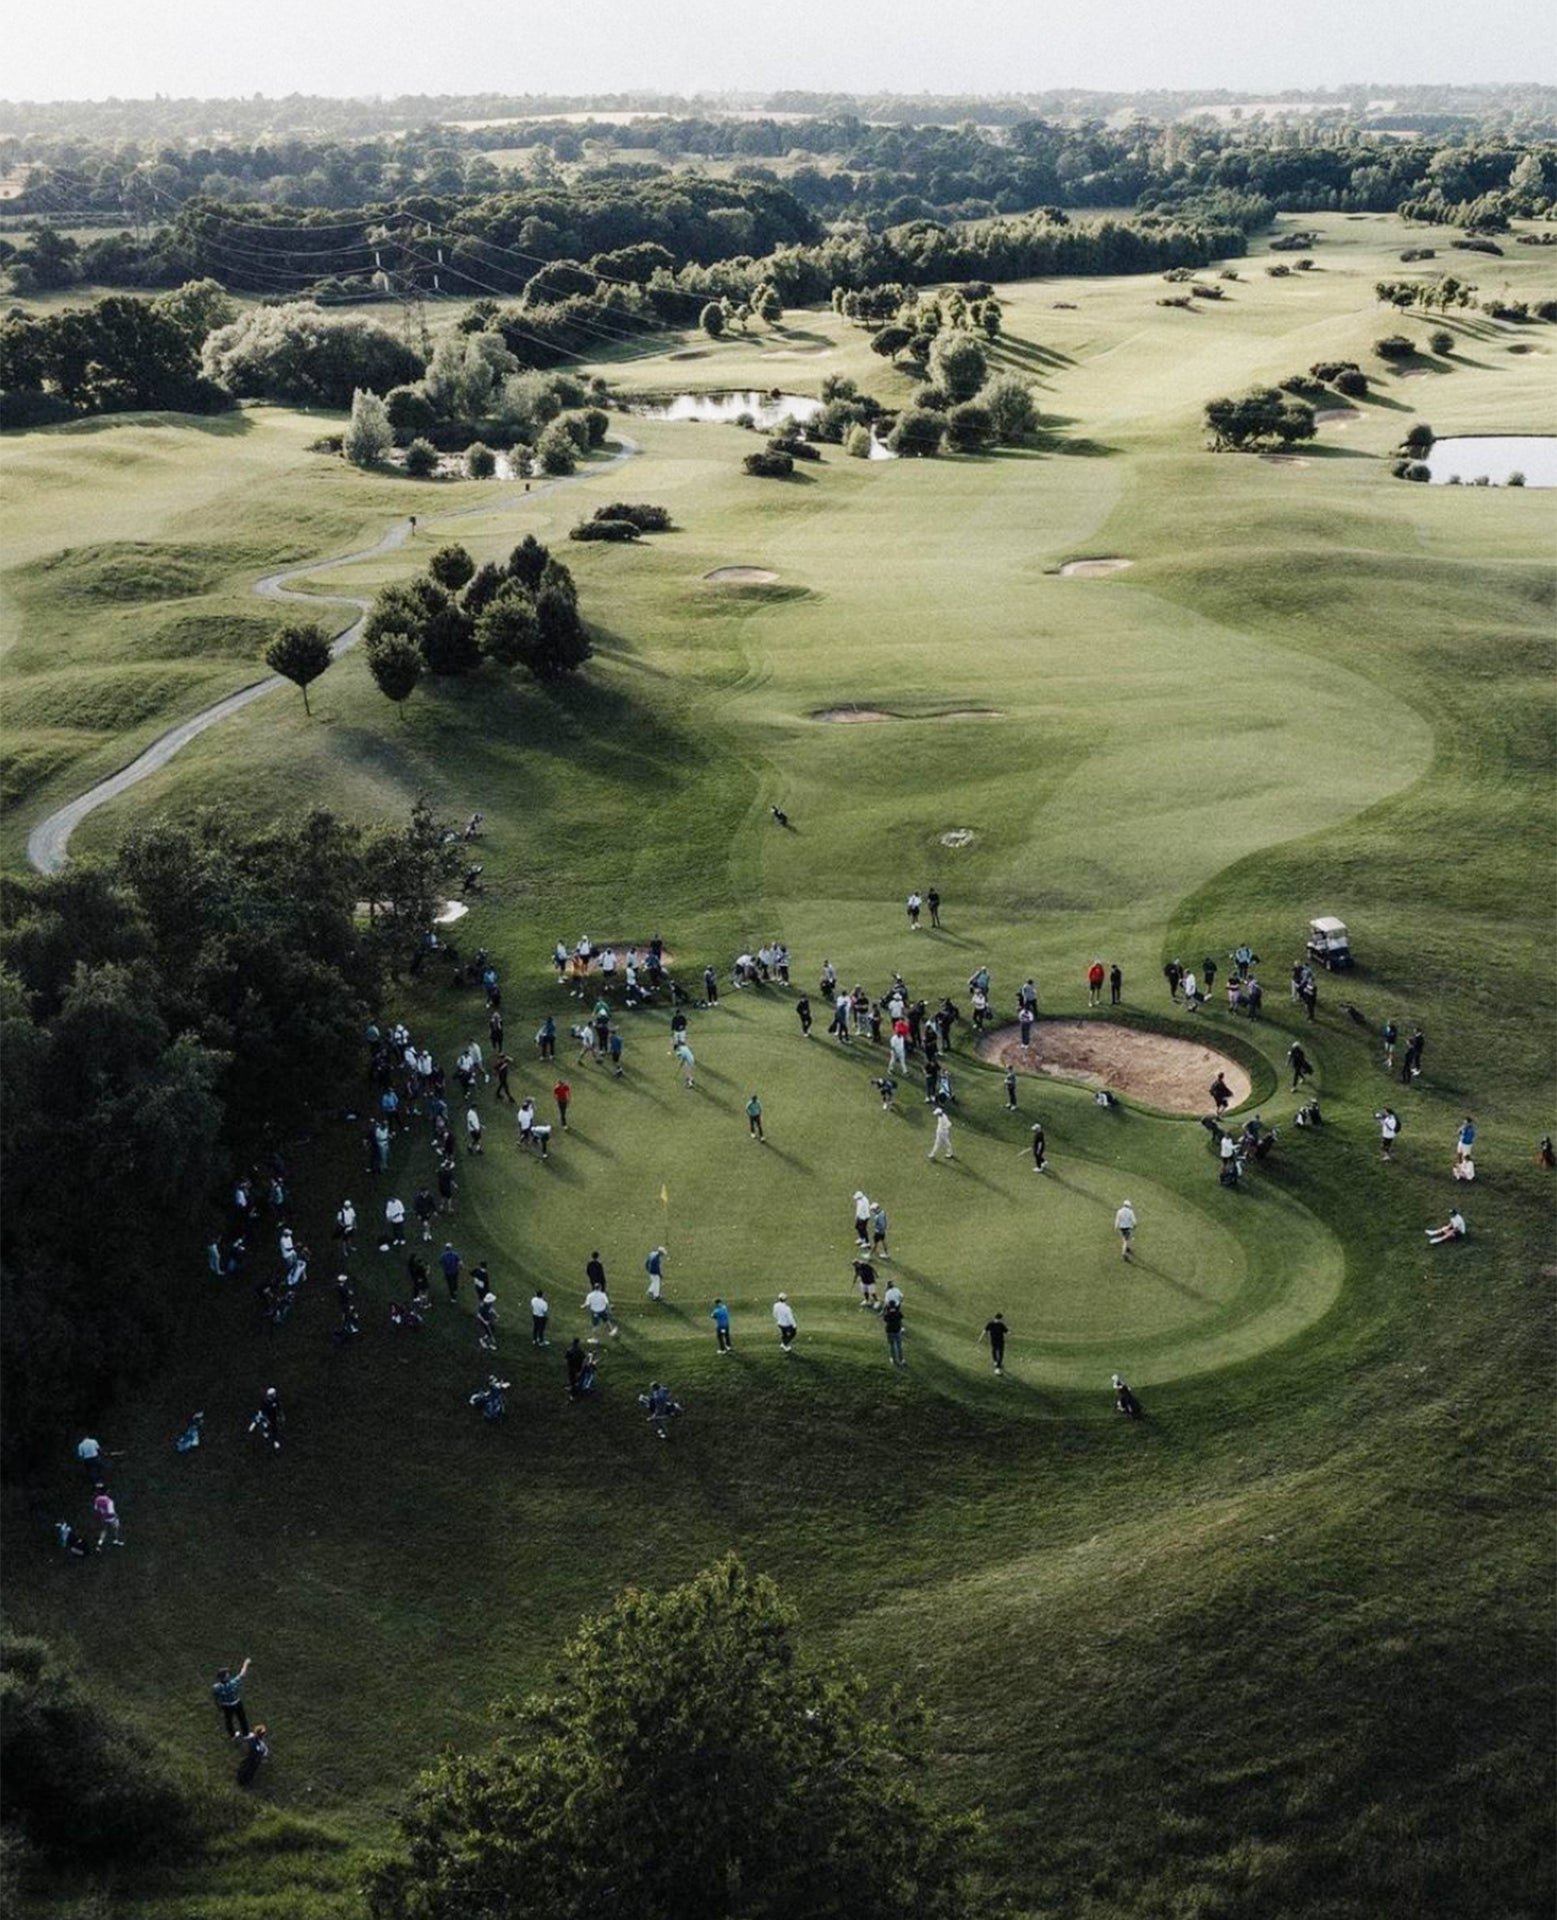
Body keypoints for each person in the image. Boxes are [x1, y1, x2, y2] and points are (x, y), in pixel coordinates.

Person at [213, 1659, 253, 1738]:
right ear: (224, 1677)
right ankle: (246, 1734)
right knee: (242, 1719)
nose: (228, 1674)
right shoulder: (232, 1683)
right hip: (237, 1703)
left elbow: (216, 1698)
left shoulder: (216, 1687)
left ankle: (232, 1735)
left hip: (226, 1706)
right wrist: (246, 1663)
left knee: (228, 1721)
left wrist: (219, 1706)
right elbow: (242, 1674)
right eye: (226, 1674)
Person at [92, 1484, 124, 1550]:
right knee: (116, 1528)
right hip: (111, 1518)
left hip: (103, 1518)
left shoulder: (97, 1499)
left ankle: (99, 1544)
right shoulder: (109, 1501)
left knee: (104, 1531)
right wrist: (116, 1516)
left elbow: (96, 1509)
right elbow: (111, 1512)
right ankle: (116, 1540)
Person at [882, 1294, 906, 1368]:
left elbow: (885, 1319)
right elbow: (902, 1316)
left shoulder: (888, 1313)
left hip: (889, 1331)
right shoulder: (898, 1312)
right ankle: (901, 1360)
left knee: (892, 1346)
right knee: (899, 1346)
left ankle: (893, 1359)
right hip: (897, 1331)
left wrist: (887, 1310)